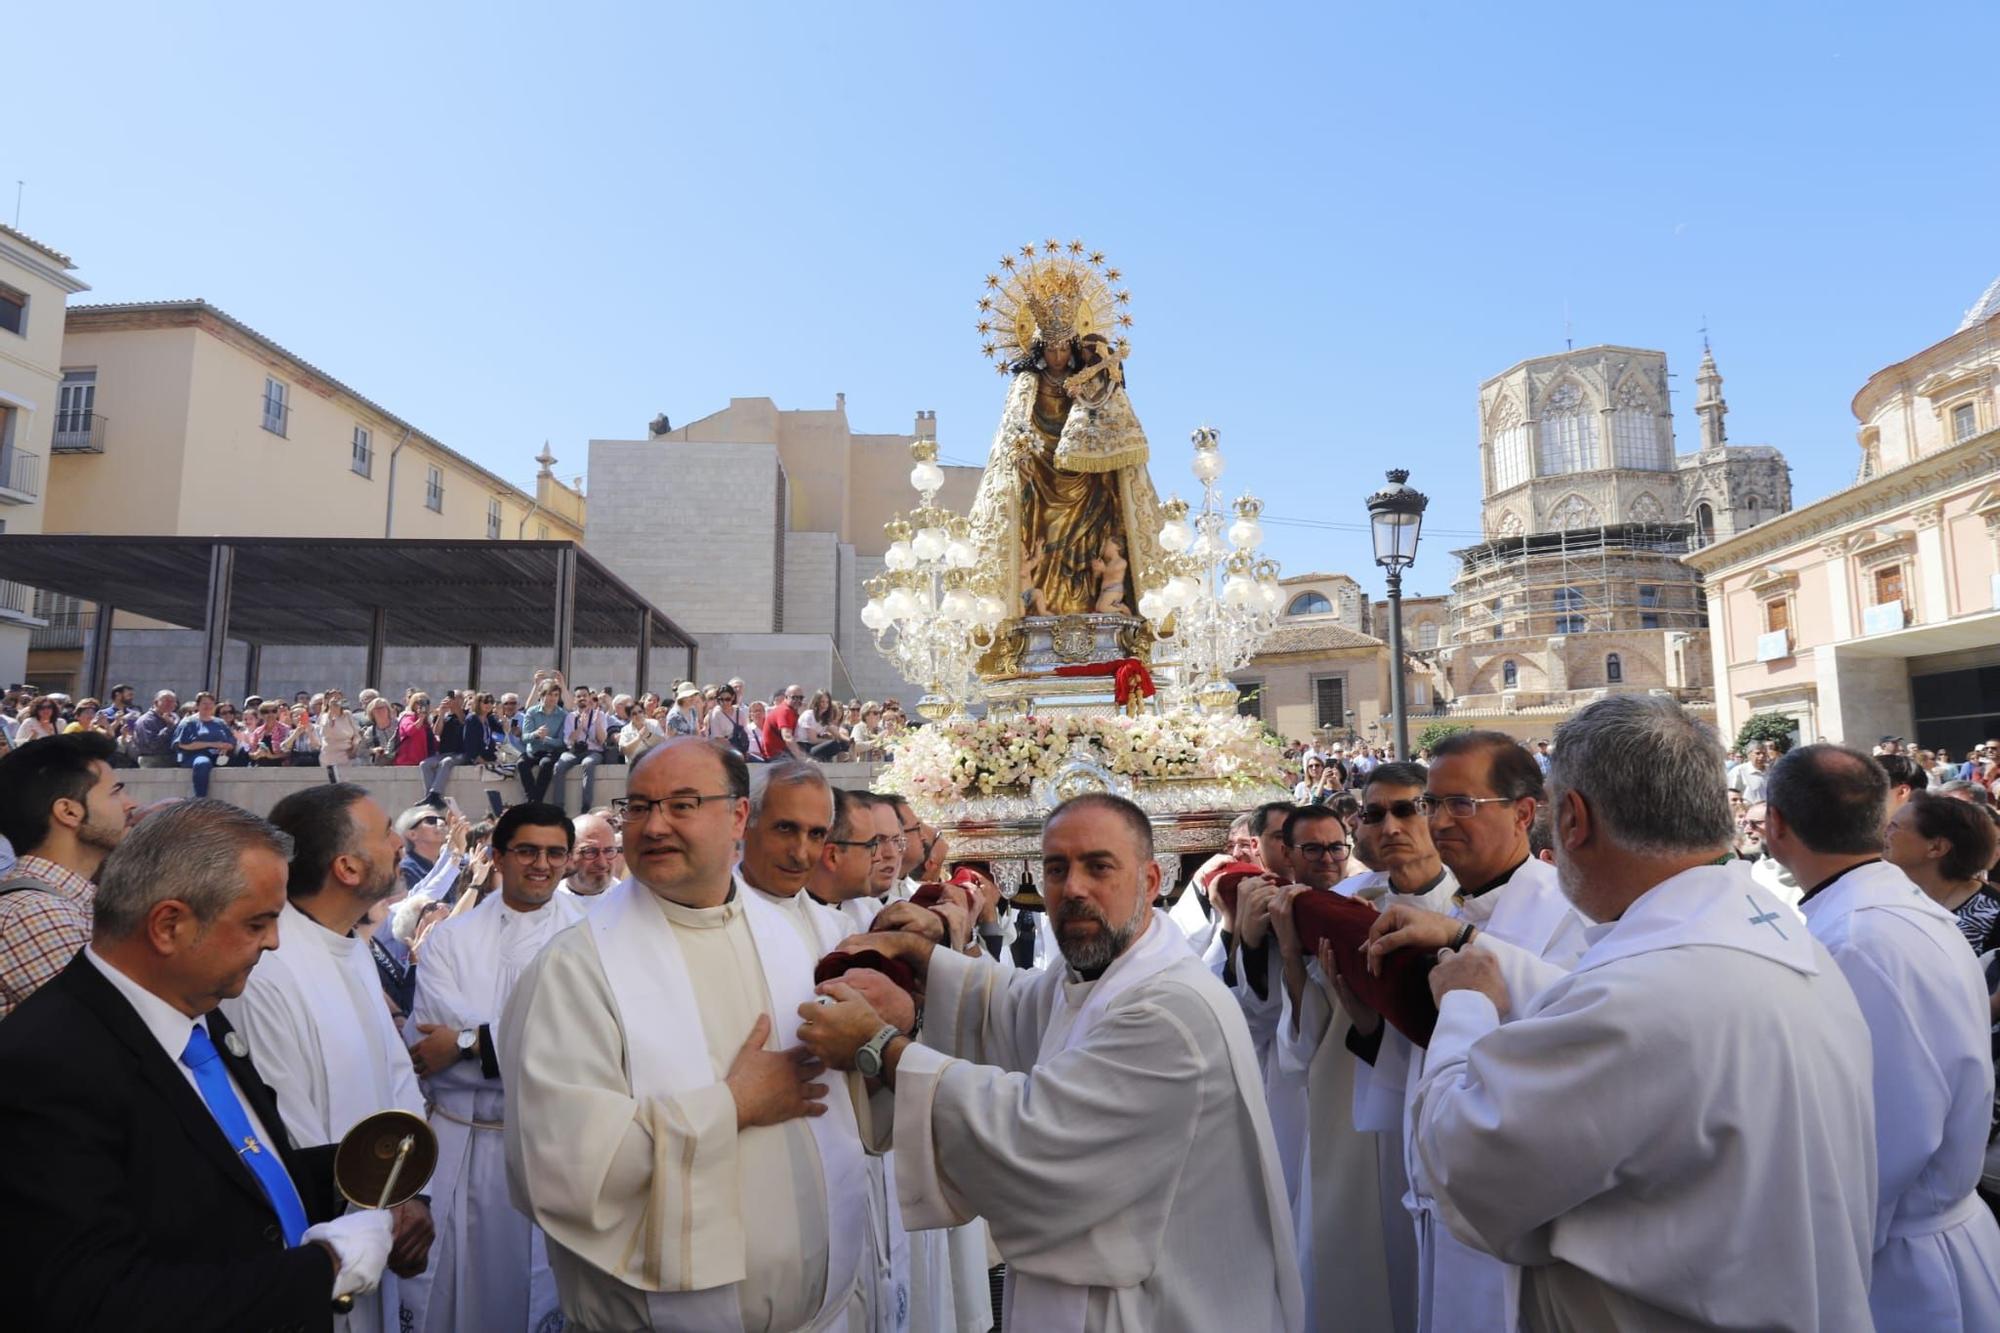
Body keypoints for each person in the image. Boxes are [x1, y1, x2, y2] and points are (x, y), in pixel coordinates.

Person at [1385, 696, 1875, 1330]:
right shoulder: (1780, 935)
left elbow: (1460, 1163)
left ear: (1571, 818)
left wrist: (1466, 1004)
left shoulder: (1641, 992)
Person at [803, 792, 1304, 1331]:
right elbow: (1017, 1008)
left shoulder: (1169, 1010)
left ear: (1152, 881)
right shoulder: (1109, 975)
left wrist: (880, 1047)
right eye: (1057, 868)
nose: (1074, 888)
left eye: (1099, 866)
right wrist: (924, 959)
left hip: (1158, 1306)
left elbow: (1033, 1134)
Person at [501, 738, 867, 1330]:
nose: (653, 826)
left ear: (739, 817)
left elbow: (851, 1112)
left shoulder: (795, 938)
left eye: (683, 804)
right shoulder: (575, 968)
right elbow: (559, 1169)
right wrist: (733, 1106)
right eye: (639, 807)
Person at [0, 800, 399, 1328]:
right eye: (257, 922)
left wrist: (365, 1177)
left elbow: (228, 1171)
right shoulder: (45, 1066)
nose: (274, 942)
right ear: (169, 925)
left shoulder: (197, 1012)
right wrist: (324, 1269)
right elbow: (93, 1299)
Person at [1337, 734, 1589, 1333]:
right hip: (1439, 1187)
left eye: (1462, 804)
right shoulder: (1444, 911)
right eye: (1433, 804)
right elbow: (1426, 1051)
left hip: (1521, 1207)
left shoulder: (1569, 909)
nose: (1439, 821)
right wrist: (1370, 1015)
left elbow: (1582, 1020)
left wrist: (1465, 945)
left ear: (1524, 813)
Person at [1764, 744, 2000, 1329]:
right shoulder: (1879, 912)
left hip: (1899, 1266)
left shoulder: (1859, 938)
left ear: (1774, 826)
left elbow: (1893, 1131)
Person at [220, 784, 437, 1333]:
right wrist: (379, 1216)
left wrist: (411, 1193)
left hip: (382, 1214)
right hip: (321, 1241)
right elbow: (285, 1129)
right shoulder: (267, 968)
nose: (399, 842)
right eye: (387, 831)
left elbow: (396, 1077)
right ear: (347, 866)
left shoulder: (349, 942)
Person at [1265, 770, 1453, 1333]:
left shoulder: (1470, 912)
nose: (1391, 827)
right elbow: (1301, 1046)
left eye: (1408, 809)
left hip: (1434, 1123)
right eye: (1374, 815)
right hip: (1348, 1119)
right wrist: (1297, 964)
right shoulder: (1340, 907)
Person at [400, 802, 581, 1333]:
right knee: (455, 1293)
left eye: (554, 853)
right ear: (499, 857)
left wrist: (467, 1040)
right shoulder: (453, 938)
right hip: (461, 1142)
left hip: (551, 1145)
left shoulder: (593, 937)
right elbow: (429, 1049)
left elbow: (579, 1046)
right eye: (527, 851)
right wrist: (493, 1047)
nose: (541, 864)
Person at [0, 733, 137, 1018]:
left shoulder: (69, 903)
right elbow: (123, 1028)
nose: (130, 804)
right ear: (69, 812)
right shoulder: (38, 915)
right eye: (115, 792)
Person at [1888, 791, 2000, 952]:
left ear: (1936, 847)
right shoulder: (1887, 892)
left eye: (1894, 826)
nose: (1884, 832)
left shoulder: (1993, 915)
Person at [173, 691, 240, 798]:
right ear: (197, 705)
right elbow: (182, 744)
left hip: (220, 756)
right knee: (202, 763)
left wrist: (227, 747)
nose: (207, 706)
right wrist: (212, 744)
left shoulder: (220, 723)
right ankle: (200, 798)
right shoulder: (188, 722)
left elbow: (231, 741)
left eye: (210, 703)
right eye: (204, 703)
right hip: (195, 756)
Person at [555, 686, 608, 814]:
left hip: (593, 751)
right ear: (574, 700)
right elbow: (568, 740)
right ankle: (558, 808)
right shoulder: (570, 717)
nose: (582, 698)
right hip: (574, 751)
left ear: (590, 698)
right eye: (579, 696)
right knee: (559, 766)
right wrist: (580, 727)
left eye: (585, 695)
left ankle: (586, 807)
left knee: (588, 764)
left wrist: (593, 725)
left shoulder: (599, 715)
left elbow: (602, 741)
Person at [556, 810, 618, 907]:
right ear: (568, 855)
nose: (602, 863)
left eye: (609, 851)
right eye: (590, 852)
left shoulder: (632, 902)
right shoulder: (546, 903)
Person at [130, 689, 181, 768]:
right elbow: (152, 745)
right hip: (152, 760)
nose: (171, 704)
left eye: (173, 701)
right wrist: (169, 727)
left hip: (173, 758)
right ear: (156, 703)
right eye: (167, 701)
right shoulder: (146, 720)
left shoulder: (175, 717)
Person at [762, 684, 805, 762]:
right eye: (794, 697)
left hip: (783, 753)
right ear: (786, 697)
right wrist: (803, 758)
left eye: (800, 698)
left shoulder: (793, 712)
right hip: (777, 756)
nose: (798, 700)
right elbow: (787, 737)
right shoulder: (785, 711)